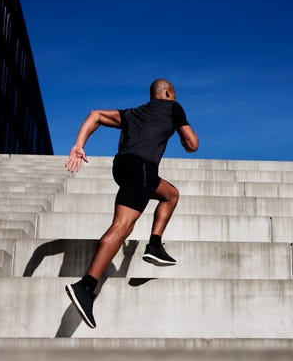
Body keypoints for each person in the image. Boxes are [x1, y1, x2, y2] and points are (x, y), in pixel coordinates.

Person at [64, 78, 199, 328]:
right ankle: (86, 286)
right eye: (173, 93)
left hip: (123, 167)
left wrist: (78, 146)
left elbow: (96, 115)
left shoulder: (133, 113)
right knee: (123, 226)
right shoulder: (173, 107)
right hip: (142, 167)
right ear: (168, 93)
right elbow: (192, 144)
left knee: (170, 194)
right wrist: (182, 137)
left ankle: (155, 245)